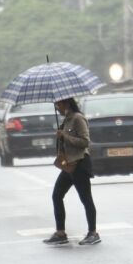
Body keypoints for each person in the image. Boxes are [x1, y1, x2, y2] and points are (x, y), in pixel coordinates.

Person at [43, 98, 100, 246]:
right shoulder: (66, 120)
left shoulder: (78, 119)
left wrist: (65, 136)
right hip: (68, 165)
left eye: (59, 104)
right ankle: (60, 232)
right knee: (57, 195)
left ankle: (93, 233)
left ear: (67, 103)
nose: (57, 108)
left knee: (86, 198)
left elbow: (85, 142)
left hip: (80, 164)